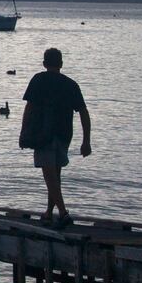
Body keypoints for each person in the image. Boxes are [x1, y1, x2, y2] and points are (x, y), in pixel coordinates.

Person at [19, 47, 91, 228]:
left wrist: (23, 130)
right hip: (65, 134)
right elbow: (83, 112)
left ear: (44, 64)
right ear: (61, 64)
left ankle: (63, 213)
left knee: (49, 175)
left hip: (43, 134)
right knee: (55, 175)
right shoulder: (71, 84)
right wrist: (86, 140)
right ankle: (49, 212)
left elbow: (29, 107)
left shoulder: (38, 80)